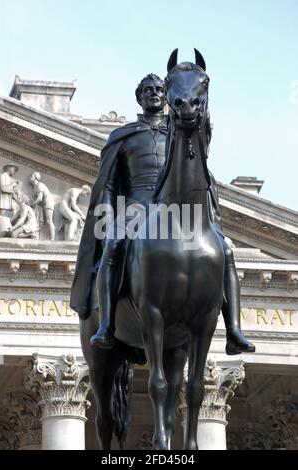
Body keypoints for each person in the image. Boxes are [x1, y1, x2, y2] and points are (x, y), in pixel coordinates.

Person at [70, 73, 255, 355]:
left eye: (159, 89)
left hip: (176, 209)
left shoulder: (181, 130)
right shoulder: (124, 136)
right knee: (114, 245)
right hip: (135, 207)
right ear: (139, 98)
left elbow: (199, 166)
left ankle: (234, 329)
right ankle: (106, 323)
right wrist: (106, 220)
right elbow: (107, 183)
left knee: (225, 252)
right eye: (148, 90)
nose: (154, 93)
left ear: (167, 95)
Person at [29, 172, 55, 240]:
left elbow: (39, 198)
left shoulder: (40, 185)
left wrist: (32, 204)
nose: (30, 177)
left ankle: (52, 239)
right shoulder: (34, 188)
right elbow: (34, 200)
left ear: (35, 178)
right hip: (42, 205)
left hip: (48, 203)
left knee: (49, 220)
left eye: (31, 175)